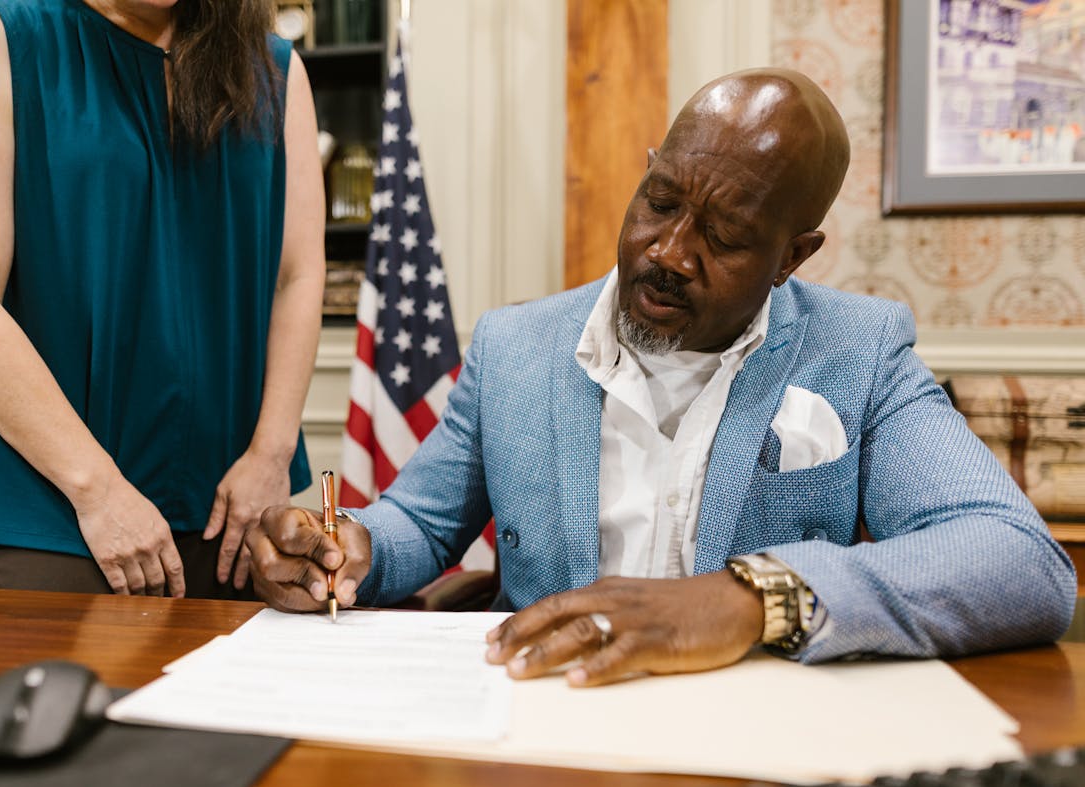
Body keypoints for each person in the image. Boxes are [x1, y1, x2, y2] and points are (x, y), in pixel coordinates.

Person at [245, 68, 1077, 684]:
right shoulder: (515, 347)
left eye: (726, 234)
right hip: (547, 721)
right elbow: (416, 527)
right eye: (661, 199)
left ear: (794, 255)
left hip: (756, 733)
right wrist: (345, 544)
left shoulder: (857, 352)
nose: (670, 252)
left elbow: (1020, 563)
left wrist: (751, 600)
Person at [0, 0, 326, 599]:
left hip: (232, 503)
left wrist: (272, 453)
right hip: (53, 507)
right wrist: (96, 489)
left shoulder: (274, 69)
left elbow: (298, 275)